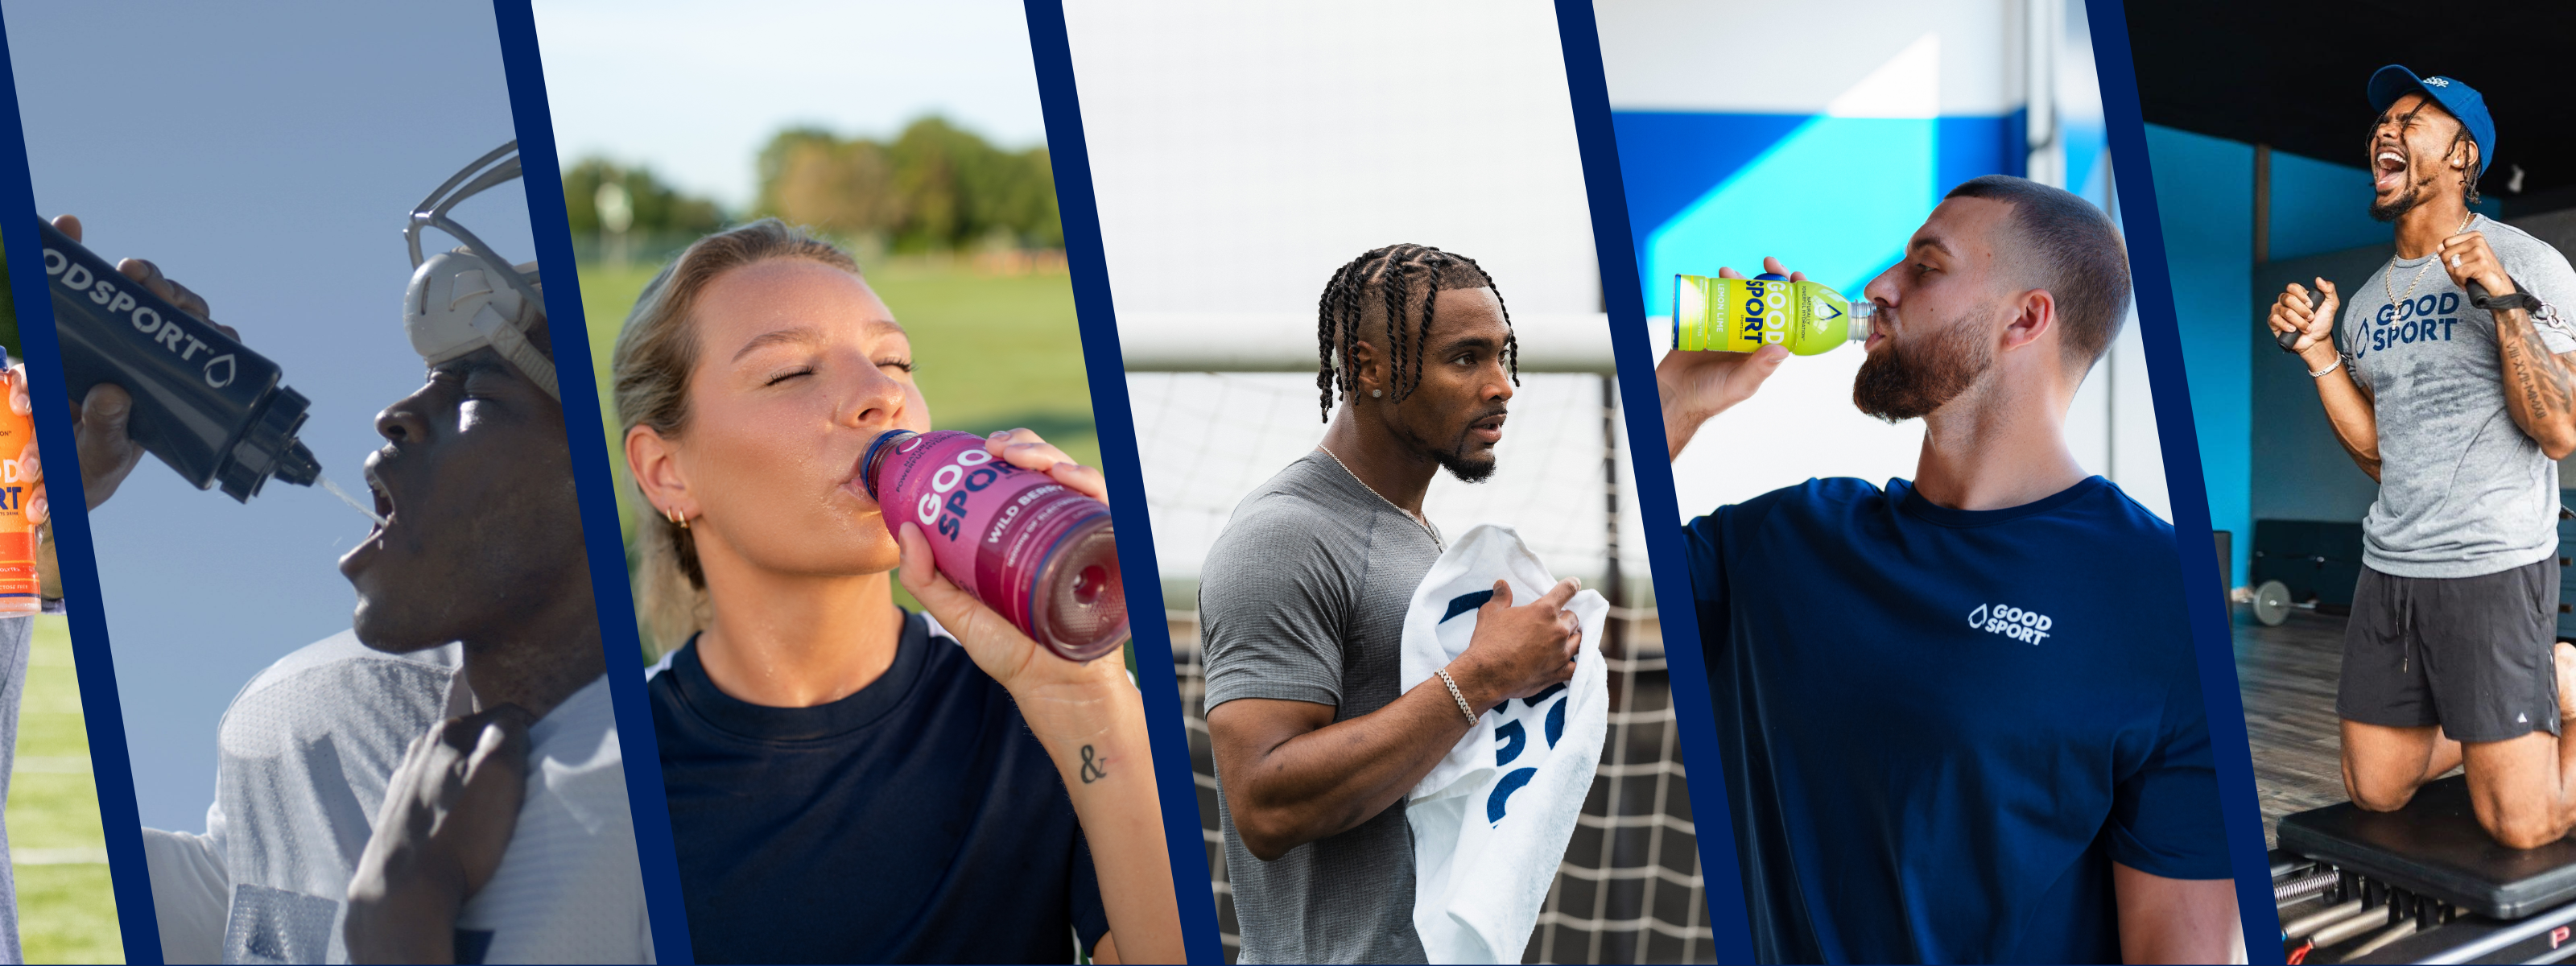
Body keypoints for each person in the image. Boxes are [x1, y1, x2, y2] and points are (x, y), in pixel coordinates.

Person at [100, 144, 651, 964]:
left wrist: (402, 916)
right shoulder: (324, 721)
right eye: (428, 380)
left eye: (481, 394)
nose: (392, 413)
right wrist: (56, 475)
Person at [1666, 175, 2236, 963]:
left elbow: (2178, 951)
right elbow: (1569, 606)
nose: (1877, 288)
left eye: (1925, 267)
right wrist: (1678, 395)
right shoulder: (1781, 541)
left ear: (2024, 318)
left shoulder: (2161, 597)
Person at [613, 219, 1180, 964]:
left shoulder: (1033, 706)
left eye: (895, 361)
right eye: (789, 372)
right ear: (665, 472)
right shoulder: (610, 785)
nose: (881, 394)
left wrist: (1092, 705)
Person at [1198, 243, 1586, 964]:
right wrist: (1485, 676)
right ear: (1370, 368)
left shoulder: (1414, 535)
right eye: (1466, 359)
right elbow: (1264, 803)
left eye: (1503, 356)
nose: (1501, 385)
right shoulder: (1285, 536)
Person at [2268, 67, 2576, 850]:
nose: (2384, 130)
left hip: (2491, 564)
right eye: (2381, 121)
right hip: (2392, 570)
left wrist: (2500, 298)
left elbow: (2560, 432)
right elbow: (2382, 457)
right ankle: (2520, 704)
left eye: (2411, 120)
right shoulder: (2369, 301)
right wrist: (2317, 355)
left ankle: (2554, 683)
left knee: (2522, 823)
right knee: (2374, 789)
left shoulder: (2528, 263)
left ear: (2462, 153)